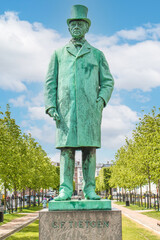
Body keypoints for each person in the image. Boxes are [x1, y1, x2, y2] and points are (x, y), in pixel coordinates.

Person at [44, 5, 114, 201]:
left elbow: (108, 81)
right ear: (68, 28)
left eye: (80, 24)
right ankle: (65, 189)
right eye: (73, 24)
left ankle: (90, 188)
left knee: (89, 148)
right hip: (65, 110)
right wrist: (51, 105)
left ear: (87, 28)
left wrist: (100, 101)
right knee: (66, 149)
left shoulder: (97, 54)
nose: (76, 27)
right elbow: (50, 82)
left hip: (90, 109)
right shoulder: (58, 53)